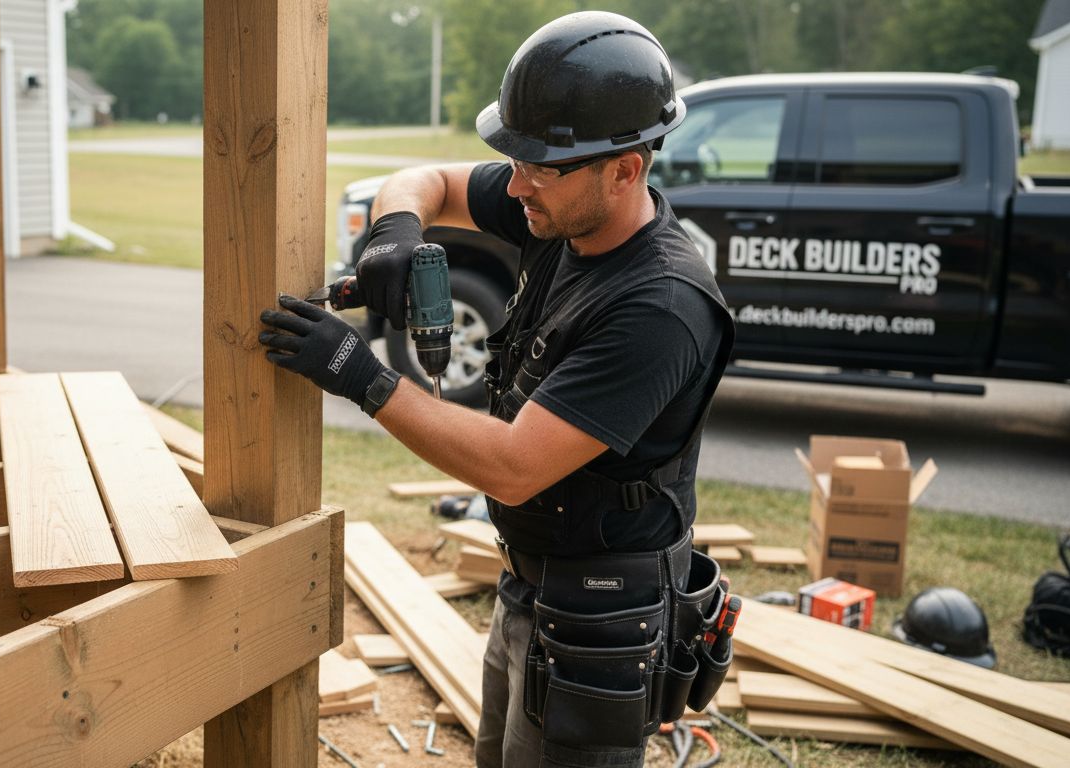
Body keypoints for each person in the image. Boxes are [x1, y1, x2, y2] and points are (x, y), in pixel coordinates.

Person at [260, 12, 734, 768]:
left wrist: (359, 373)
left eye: (539, 169)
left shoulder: (660, 308)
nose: (516, 186)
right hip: (529, 587)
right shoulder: (560, 211)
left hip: (602, 622)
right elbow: (430, 181)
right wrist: (396, 231)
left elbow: (515, 465)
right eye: (515, 161)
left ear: (624, 170)